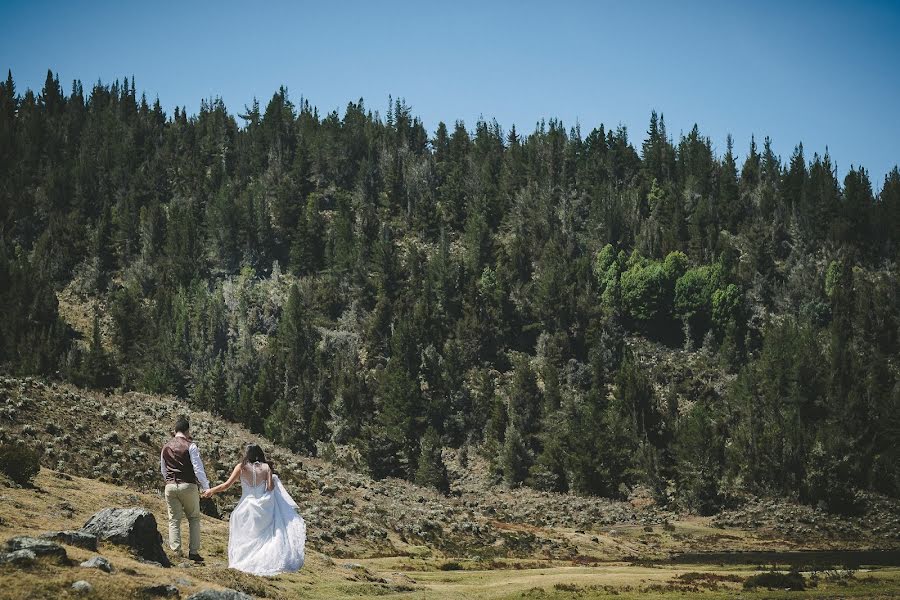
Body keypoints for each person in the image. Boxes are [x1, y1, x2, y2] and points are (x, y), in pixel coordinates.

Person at [202, 443, 306, 575]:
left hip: (247, 505)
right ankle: (262, 560)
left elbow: (226, 485)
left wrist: (211, 490)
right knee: (264, 536)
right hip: (264, 507)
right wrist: (273, 478)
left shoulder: (241, 467)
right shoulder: (266, 467)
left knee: (247, 535)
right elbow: (269, 488)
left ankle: (244, 560)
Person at [160, 415, 210, 563]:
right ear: (187, 430)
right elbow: (198, 469)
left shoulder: (166, 446)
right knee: (193, 518)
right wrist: (205, 486)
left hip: (170, 486)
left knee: (174, 519)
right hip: (188, 485)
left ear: (175, 431)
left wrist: (169, 481)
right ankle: (193, 552)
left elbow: (163, 469)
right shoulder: (191, 446)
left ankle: (176, 551)